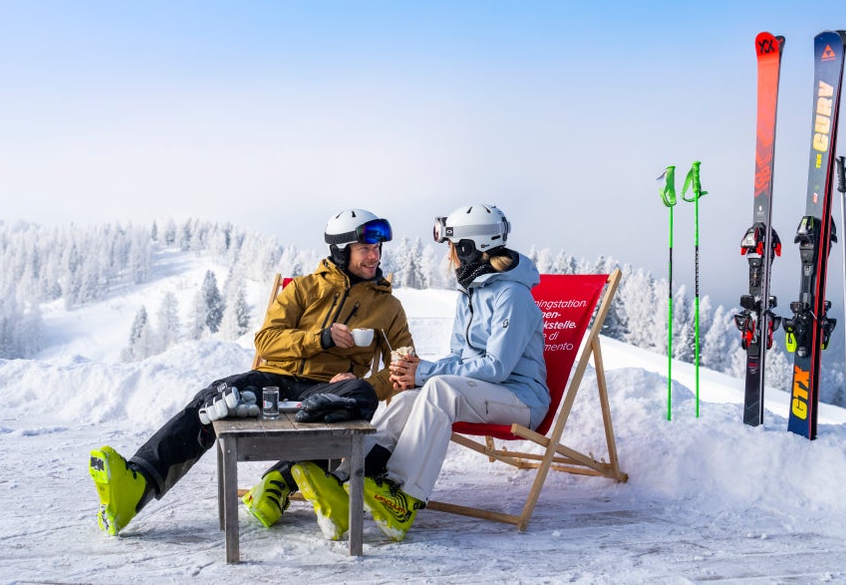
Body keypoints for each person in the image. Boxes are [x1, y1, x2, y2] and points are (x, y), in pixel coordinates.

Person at [89, 208, 413, 536]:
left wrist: (366, 382)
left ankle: (280, 480)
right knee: (215, 396)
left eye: (377, 249)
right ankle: (138, 484)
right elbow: (267, 341)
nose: (375, 256)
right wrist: (320, 338)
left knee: (358, 396)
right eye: (366, 249)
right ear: (341, 252)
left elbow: (403, 366)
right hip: (273, 381)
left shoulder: (388, 307)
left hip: (327, 391)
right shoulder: (303, 290)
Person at [290, 204, 548, 541]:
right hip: (487, 391)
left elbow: (496, 368)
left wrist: (425, 371)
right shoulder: (472, 292)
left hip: (521, 398)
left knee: (439, 389)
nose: (450, 255)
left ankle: (402, 495)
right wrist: (418, 376)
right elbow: (460, 357)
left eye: (453, 247)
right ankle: (347, 477)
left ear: (471, 248)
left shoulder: (512, 295)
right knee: (412, 395)